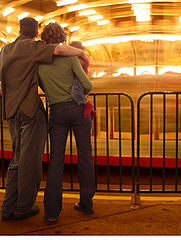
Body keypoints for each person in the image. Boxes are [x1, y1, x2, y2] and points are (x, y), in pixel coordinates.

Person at [0, 17, 89, 221]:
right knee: (30, 161)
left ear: (19, 30)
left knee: (16, 158)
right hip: (30, 110)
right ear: (36, 33)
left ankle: (7, 207)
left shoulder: (5, 50)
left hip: (11, 110)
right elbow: (58, 50)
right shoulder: (32, 46)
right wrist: (80, 52)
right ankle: (23, 207)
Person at [38, 22, 96, 225]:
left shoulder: (39, 63)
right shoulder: (71, 58)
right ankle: (86, 204)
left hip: (57, 112)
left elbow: (42, 86)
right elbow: (88, 84)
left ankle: (52, 212)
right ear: (62, 38)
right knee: (85, 157)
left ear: (44, 39)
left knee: (55, 161)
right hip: (79, 111)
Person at [69, 41, 96, 119]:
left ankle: (87, 104)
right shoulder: (79, 57)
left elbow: (77, 68)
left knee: (74, 92)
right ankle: (90, 110)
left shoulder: (81, 59)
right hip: (78, 78)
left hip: (79, 80)